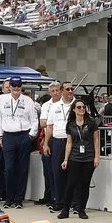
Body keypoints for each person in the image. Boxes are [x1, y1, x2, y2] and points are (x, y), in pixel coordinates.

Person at [0, 76, 40, 208]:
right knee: (9, 168)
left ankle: (18, 199)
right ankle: (9, 198)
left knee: (22, 168)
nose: (16, 88)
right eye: (13, 85)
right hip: (8, 136)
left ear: (21, 87)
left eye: (18, 86)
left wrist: (31, 135)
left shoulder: (28, 100)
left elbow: (34, 119)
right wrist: (0, 136)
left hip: (23, 135)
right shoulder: (1, 100)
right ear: (10, 87)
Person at [58, 98, 100, 219]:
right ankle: (65, 209)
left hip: (88, 157)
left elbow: (96, 140)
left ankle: (81, 209)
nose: (82, 109)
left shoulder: (91, 122)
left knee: (84, 184)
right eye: (79, 107)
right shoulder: (70, 123)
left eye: (83, 107)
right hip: (75, 157)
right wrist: (66, 159)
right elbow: (69, 142)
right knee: (71, 183)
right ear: (74, 109)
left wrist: (96, 157)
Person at [39, 81, 73, 210]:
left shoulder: (76, 104)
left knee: (71, 172)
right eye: (67, 89)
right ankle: (59, 201)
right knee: (56, 172)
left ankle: (73, 202)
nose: (70, 91)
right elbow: (49, 125)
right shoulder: (53, 106)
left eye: (71, 89)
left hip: (72, 140)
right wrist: (46, 143)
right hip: (57, 140)